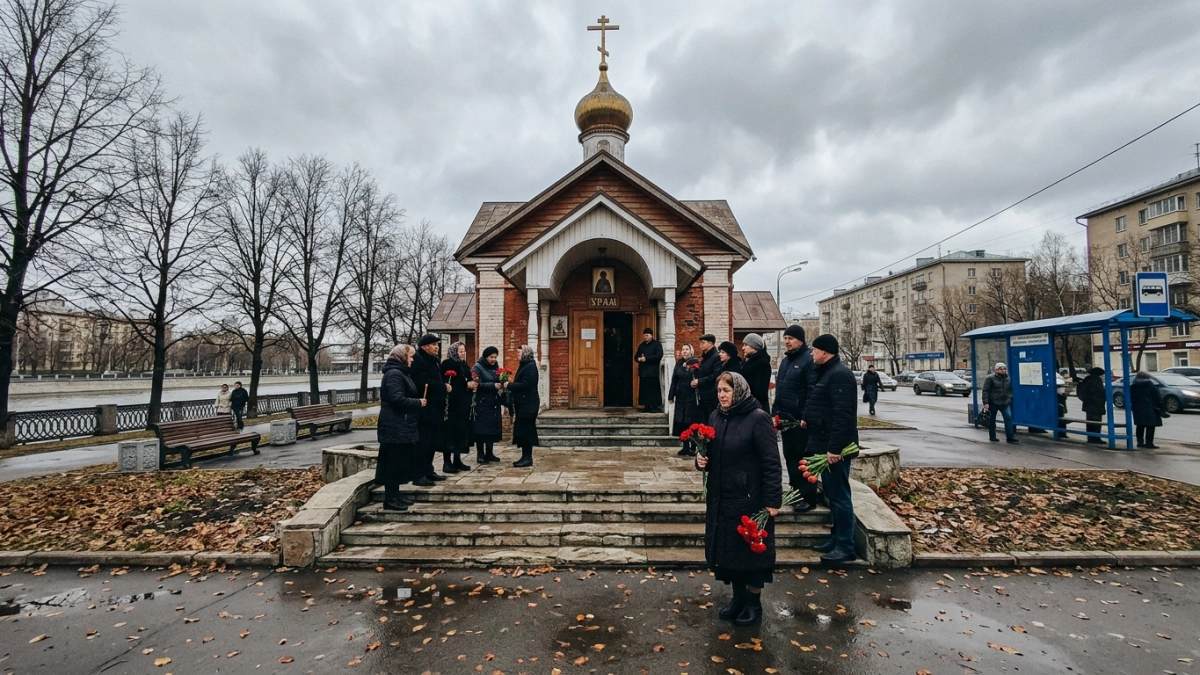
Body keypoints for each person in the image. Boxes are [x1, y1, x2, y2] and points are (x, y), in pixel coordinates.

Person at [695, 372, 782, 627]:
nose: (722, 395)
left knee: (751, 555)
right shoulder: (716, 417)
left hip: (749, 500)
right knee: (729, 553)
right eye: (720, 391)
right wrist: (701, 461)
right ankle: (738, 598)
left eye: (727, 391)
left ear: (740, 391)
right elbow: (710, 453)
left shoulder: (758, 419)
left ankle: (754, 604)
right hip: (722, 498)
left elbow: (771, 463)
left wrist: (772, 500)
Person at [803, 334, 859, 565]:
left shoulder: (840, 375)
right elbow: (821, 404)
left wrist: (835, 448)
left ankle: (846, 546)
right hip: (823, 442)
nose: (812, 353)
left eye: (814, 350)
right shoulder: (826, 372)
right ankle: (836, 538)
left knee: (840, 496)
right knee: (833, 495)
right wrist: (808, 418)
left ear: (825, 351)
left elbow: (843, 416)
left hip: (833, 448)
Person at [772, 325, 819, 513]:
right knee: (790, 456)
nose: (787, 341)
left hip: (801, 421)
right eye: (785, 338)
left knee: (803, 459)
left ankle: (808, 497)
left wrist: (805, 416)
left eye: (790, 338)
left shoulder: (808, 360)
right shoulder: (786, 362)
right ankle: (795, 490)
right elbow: (780, 389)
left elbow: (812, 391)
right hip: (786, 420)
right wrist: (776, 412)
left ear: (800, 340)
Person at [376, 344, 426, 510]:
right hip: (394, 426)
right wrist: (417, 402)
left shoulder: (400, 373)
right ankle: (390, 499)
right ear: (402, 357)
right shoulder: (395, 374)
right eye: (410, 356)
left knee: (398, 462)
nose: (412, 360)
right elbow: (396, 399)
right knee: (393, 463)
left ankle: (395, 496)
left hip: (400, 425)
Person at [411, 334, 451, 483]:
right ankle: (418, 474)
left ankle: (429, 470)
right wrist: (442, 387)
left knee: (432, 442)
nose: (437, 347)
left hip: (436, 408)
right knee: (423, 442)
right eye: (434, 345)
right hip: (425, 408)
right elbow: (422, 382)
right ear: (425, 346)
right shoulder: (419, 361)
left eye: (437, 345)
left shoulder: (433, 361)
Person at [441, 341, 476, 472]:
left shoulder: (464, 365)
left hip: (463, 405)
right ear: (454, 352)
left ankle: (457, 459)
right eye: (460, 351)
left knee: (460, 433)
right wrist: (466, 385)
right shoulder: (447, 364)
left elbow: (467, 379)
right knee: (450, 433)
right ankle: (447, 462)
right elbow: (448, 384)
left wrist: (472, 384)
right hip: (452, 405)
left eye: (464, 351)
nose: (463, 354)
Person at [506, 345, 540, 467]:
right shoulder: (525, 365)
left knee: (526, 431)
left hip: (528, 405)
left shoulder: (530, 367)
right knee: (523, 431)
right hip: (524, 405)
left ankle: (527, 458)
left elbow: (525, 385)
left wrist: (509, 385)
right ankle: (525, 456)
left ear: (526, 354)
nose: (518, 355)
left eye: (519, 353)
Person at [472, 346, 504, 464]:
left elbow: (498, 379)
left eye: (495, 357)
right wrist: (492, 385)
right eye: (491, 357)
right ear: (486, 357)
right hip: (482, 403)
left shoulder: (495, 367)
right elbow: (476, 384)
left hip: (493, 403)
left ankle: (489, 453)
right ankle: (480, 454)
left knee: (492, 429)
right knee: (481, 430)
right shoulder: (478, 367)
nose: (493, 359)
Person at [669, 343, 701, 456]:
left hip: (691, 398)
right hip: (680, 397)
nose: (684, 351)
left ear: (691, 351)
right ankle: (685, 446)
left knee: (690, 422)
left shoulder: (695, 363)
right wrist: (671, 395)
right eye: (683, 349)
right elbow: (674, 380)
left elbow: (698, 379)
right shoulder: (679, 363)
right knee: (681, 422)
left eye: (687, 349)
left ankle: (693, 446)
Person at [981, 362, 1017, 444]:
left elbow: (1010, 389)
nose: (1003, 371)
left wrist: (1010, 397)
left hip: (1005, 402)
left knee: (1008, 418)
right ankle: (992, 436)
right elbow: (985, 391)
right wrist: (986, 402)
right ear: (996, 370)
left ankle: (1010, 437)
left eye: (1004, 369)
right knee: (992, 419)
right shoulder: (990, 378)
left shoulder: (1008, 378)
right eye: (1001, 369)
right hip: (993, 402)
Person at [1130, 371, 1164, 449]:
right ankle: (1149, 443)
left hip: (1138, 409)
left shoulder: (1133, 386)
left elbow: (1131, 398)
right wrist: (1161, 408)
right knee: (1150, 426)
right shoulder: (1151, 387)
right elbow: (1157, 399)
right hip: (1150, 408)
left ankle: (1140, 442)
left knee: (1140, 426)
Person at [692, 334, 721, 421]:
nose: (700, 345)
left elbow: (715, 375)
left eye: (703, 343)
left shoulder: (716, 357)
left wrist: (699, 381)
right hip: (703, 395)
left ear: (710, 343)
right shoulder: (705, 358)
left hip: (711, 395)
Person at [635, 328, 664, 413]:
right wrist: (639, 359)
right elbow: (636, 356)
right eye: (644, 335)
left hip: (652, 372)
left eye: (647, 335)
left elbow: (659, 355)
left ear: (651, 335)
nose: (645, 337)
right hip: (644, 372)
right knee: (644, 390)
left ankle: (654, 406)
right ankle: (646, 406)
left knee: (653, 390)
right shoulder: (642, 346)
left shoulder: (656, 344)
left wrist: (646, 359)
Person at [740, 333, 772, 412]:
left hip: (756, 407)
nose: (743, 348)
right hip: (747, 405)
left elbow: (760, 391)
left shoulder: (762, 363)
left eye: (746, 345)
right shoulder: (747, 361)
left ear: (755, 347)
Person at [1076, 367, 1107, 444]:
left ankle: (1090, 438)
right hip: (1096, 405)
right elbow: (1101, 392)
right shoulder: (1097, 380)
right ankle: (1096, 438)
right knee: (1096, 423)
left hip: (1088, 404)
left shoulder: (1087, 379)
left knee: (1089, 423)